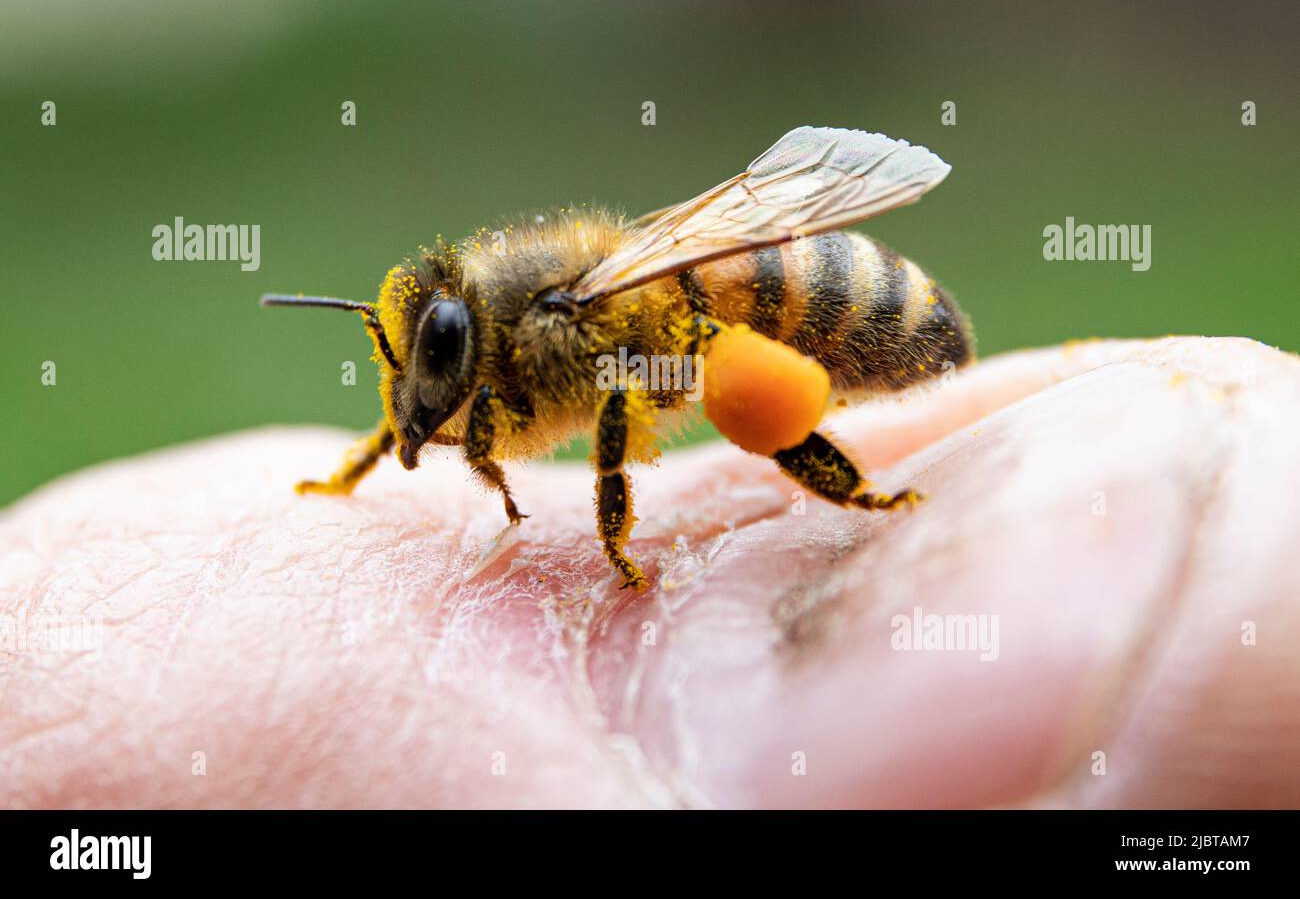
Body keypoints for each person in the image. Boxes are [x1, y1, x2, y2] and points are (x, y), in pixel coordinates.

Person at [2, 337, 1297, 808]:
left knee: (683, 375)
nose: (425, 401)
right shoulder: (498, 361)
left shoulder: (588, 332)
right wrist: (367, 465)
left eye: (432, 367)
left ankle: (870, 499)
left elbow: (664, 388)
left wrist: (621, 545)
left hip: (766, 334)